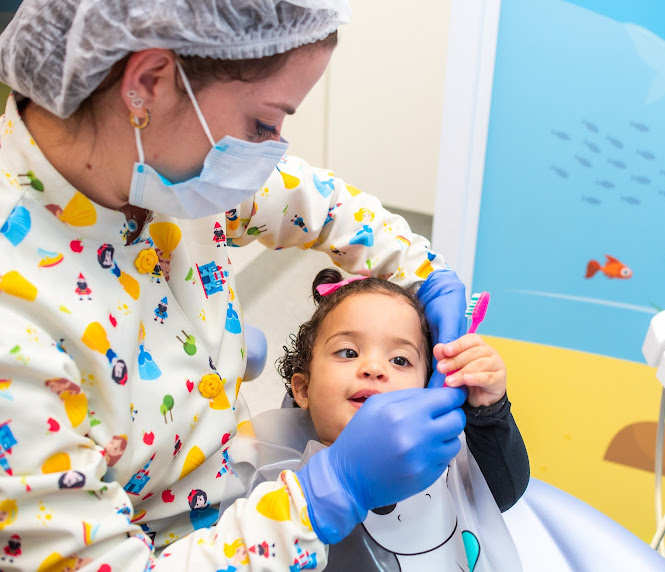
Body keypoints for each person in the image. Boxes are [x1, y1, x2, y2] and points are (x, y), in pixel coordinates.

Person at [0, 1, 472, 569]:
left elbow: (317, 203)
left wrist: (423, 268)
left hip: (232, 490)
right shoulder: (16, 324)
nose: (269, 149)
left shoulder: (157, 164)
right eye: (263, 123)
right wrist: (323, 498)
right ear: (147, 83)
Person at [261, 268, 528, 570]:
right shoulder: (280, 471)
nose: (374, 367)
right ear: (304, 388)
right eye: (348, 352)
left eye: (400, 360)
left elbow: (503, 495)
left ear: (429, 385)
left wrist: (489, 412)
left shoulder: (439, 455)